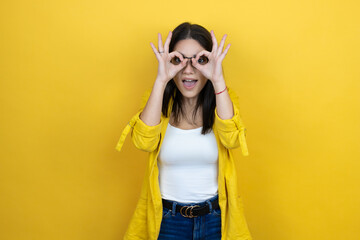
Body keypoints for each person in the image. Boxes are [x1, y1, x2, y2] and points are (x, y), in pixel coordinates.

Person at [115, 22, 252, 240]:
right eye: (178, 60)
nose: (189, 69)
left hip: (215, 220)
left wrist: (218, 80)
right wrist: (161, 80)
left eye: (201, 60)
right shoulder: (157, 103)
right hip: (168, 221)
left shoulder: (223, 100)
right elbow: (143, 142)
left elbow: (232, 139)